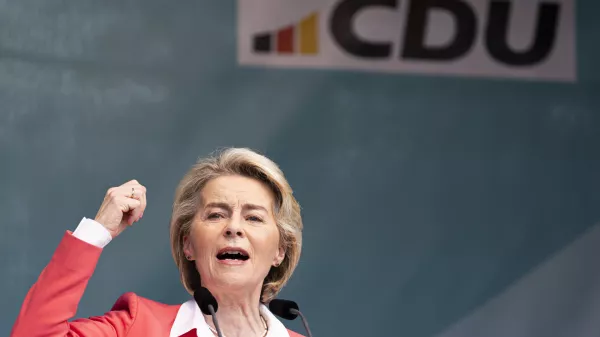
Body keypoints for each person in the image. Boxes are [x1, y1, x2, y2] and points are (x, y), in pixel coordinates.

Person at [10, 148, 305, 337]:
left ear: (280, 250)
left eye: (254, 218)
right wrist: (97, 231)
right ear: (187, 244)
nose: (234, 228)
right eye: (216, 215)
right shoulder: (137, 327)